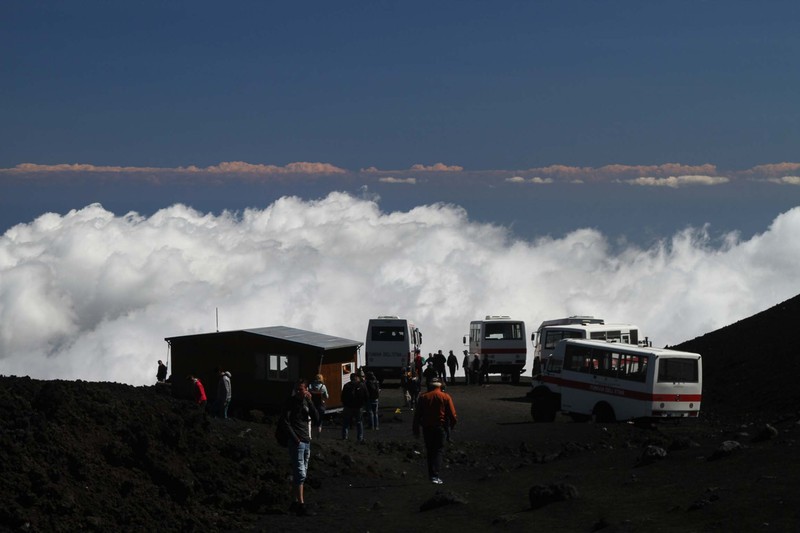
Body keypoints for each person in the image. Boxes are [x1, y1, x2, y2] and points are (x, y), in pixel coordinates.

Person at [278, 379, 319, 516]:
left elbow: (316, 417)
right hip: (297, 441)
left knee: (302, 472)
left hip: (306, 439)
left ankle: (294, 502)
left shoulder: (307, 402)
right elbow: (285, 421)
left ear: (306, 389)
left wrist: (311, 402)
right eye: (296, 389)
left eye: (301, 389)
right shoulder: (290, 402)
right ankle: (301, 504)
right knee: (300, 473)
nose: (298, 392)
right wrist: (295, 438)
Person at [412, 377, 458, 484]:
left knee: (430, 451)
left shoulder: (423, 397)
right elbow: (453, 415)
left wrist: (416, 430)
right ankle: (435, 475)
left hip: (427, 428)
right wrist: (451, 427)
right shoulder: (445, 397)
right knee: (438, 451)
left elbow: (417, 415)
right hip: (440, 428)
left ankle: (431, 475)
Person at [341, 372, 368, 442]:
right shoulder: (362, 385)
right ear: (357, 378)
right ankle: (360, 438)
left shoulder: (346, 385)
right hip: (359, 407)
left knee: (346, 422)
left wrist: (345, 404)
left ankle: (344, 437)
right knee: (359, 422)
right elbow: (366, 396)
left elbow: (343, 396)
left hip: (348, 406)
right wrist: (364, 404)